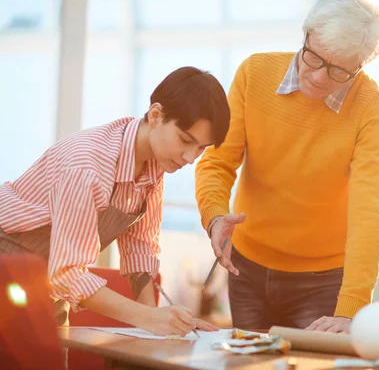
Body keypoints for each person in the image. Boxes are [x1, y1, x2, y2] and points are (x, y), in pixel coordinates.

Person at [195, 0, 379, 334]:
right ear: (306, 35)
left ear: (360, 66)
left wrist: (351, 309)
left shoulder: (371, 111)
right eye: (314, 57)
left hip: (323, 281)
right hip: (247, 268)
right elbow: (217, 162)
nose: (318, 77)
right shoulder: (253, 74)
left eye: (338, 71)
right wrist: (214, 217)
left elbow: (368, 215)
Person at [0, 66, 229, 336]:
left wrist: (159, 324)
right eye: (185, 140)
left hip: (45, 285)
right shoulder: (87, 165)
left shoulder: (155, 168)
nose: (190, 158)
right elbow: (66, 273)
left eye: (201, 148)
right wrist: (147, 318)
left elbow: (140, 252)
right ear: (156, 115)